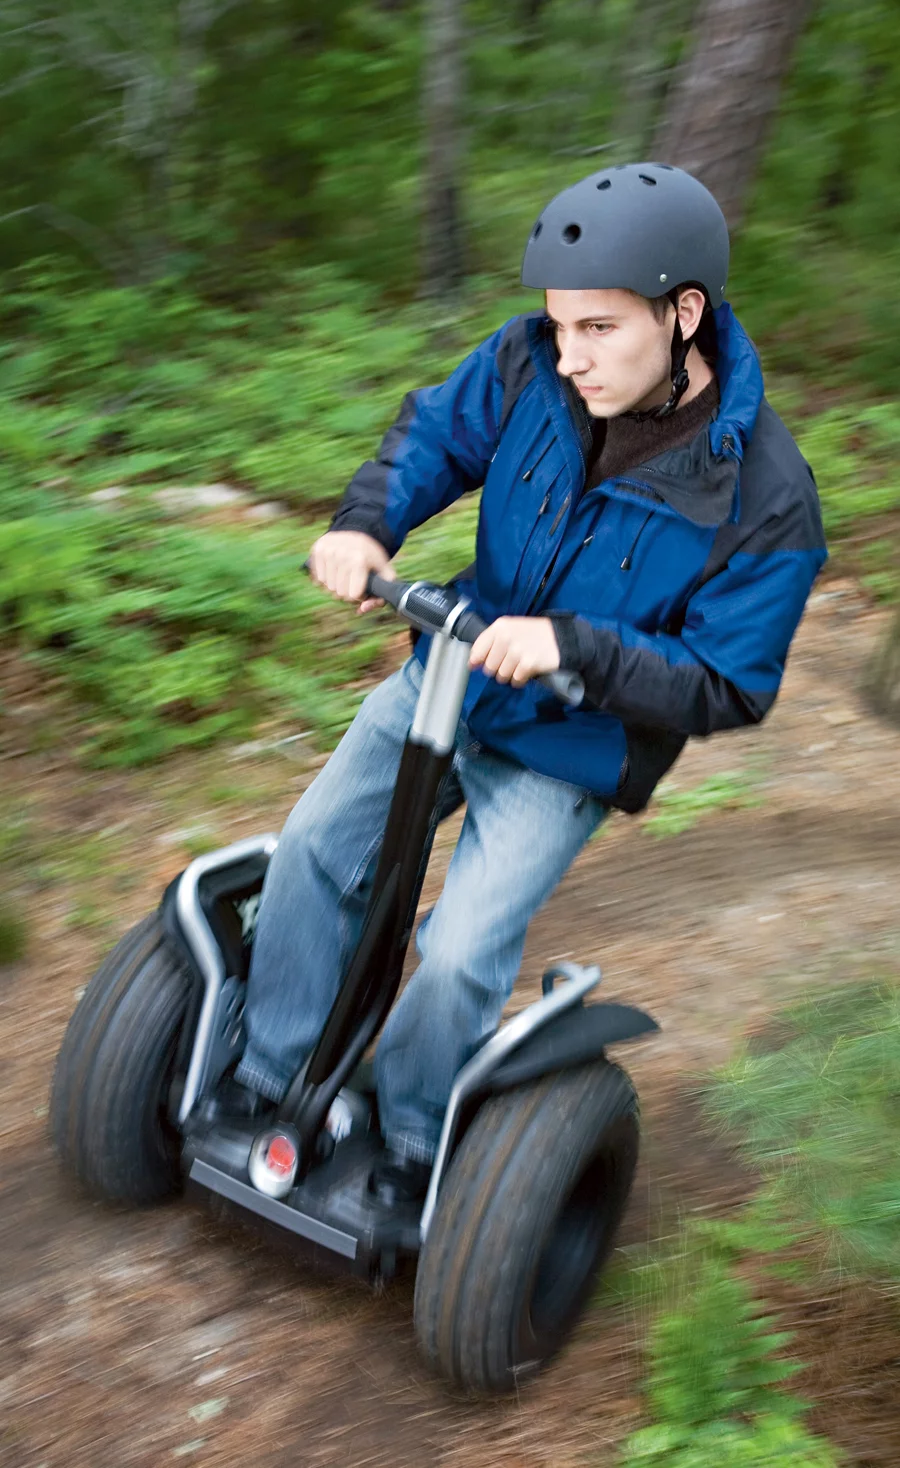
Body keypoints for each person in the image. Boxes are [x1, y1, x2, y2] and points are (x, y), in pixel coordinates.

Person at [228, 163, 827, 1202]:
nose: (570, 355)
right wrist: (368, 520)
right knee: (316, 854)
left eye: (599, 330)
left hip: (572, 743)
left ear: (683, 313)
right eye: (559, 327)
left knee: (460, 952)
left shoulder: (765, 494)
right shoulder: (526, 366)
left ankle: (415, 1138)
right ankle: (270, 1080)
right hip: (447, 672)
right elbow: (434, 435)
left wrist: (576, 651)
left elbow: (731, 683)